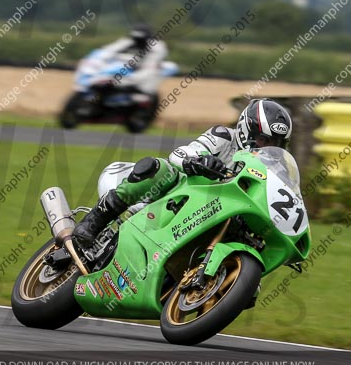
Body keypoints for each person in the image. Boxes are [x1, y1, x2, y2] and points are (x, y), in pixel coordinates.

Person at [72, 98, 293, 247]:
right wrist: (199, 161)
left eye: (274, 143)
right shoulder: (224, 137)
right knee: (161, 169)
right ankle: (94, 221)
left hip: (215, 216)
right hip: (178, 199)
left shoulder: (271, 169)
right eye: (264, 140)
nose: (265, 147)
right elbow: (179, 154)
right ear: (247, 129)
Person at [101, 24, 169, 98]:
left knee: (145, 83)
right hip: (128, 66)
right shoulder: (127, 42)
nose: (138, 40)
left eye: (140, 37)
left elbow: (154, 60)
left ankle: (139, 95)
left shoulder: (156, 46)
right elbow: (108, 50)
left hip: (145, 69)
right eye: (136, 37)